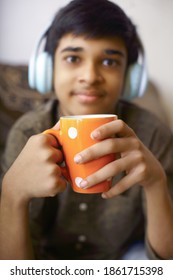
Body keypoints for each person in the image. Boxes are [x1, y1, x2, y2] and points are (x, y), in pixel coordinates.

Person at [0, 0, 173, 260]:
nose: (90, 76)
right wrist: (12, 196)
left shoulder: (152, 134)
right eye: (72, 58)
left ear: (130, 77)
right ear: (47, 69)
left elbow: (166, 262)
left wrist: (156, 183)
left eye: (109, 62)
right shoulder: (28, 133)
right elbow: (14, 269)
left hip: (123, 258)